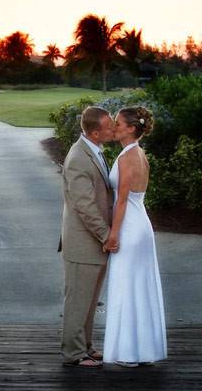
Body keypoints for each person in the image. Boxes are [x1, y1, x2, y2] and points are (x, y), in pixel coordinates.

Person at [102, 106, 168, 367]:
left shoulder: (127, 157)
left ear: (131, 128)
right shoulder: (139, 153)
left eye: (118, 123)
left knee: (128, 285)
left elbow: (121, 202)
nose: (114, 127)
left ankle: (129, 352)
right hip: (140, 223)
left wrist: (113, 235)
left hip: (129, 226)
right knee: (138, 286)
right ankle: (143, 350)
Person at [58, 106, 118, 368]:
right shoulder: (78, 159)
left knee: (90, 301)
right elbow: (85, 206)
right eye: (109, 127)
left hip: (93, 244)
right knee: (78, 301)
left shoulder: (93, 150)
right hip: (83, 243)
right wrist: (107, 236)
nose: (114, 129)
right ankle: (74, 353)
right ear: (95, 132)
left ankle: (87, 346)